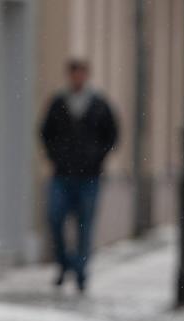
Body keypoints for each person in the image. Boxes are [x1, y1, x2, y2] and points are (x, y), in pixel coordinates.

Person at [40, 59, 118, 292]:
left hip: (89, 176)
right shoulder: (58, 102)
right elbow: (45, 133)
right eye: (74, 74)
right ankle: (65, 264)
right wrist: (56, 157)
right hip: (62, 175)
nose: (77, 78)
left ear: (86, 76)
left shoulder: (99, 104)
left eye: (81, 74)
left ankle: (82, 273)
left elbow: (112, 134)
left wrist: (97, 157)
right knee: (55, 219)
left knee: (85, 225)